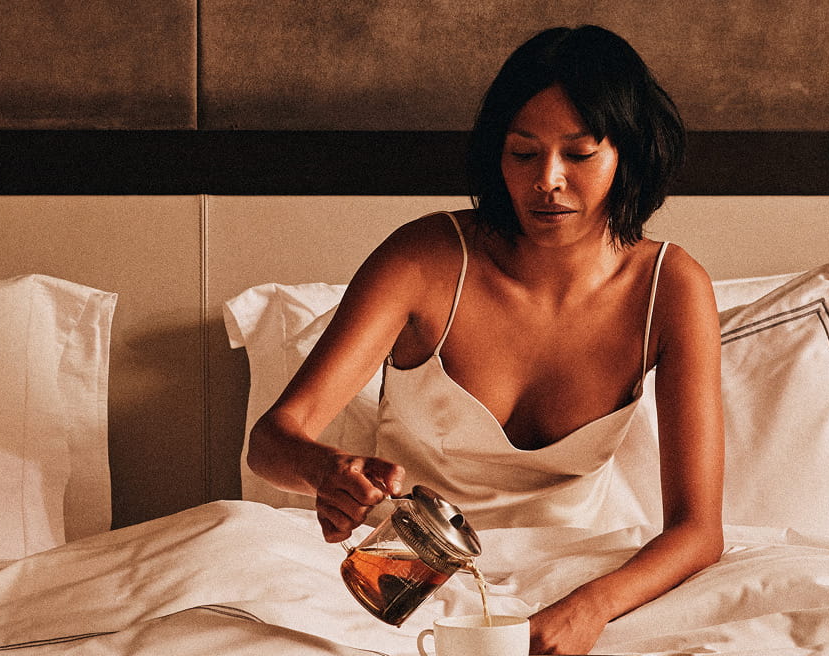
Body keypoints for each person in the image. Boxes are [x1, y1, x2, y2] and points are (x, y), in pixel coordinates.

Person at [245, 25, 724, 655]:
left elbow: (698, 530)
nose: (546, 180)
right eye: (522, 154)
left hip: (586, 581)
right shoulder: (426, 259)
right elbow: (272, 440)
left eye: (578, 155)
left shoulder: (672, 288)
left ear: (628, 155)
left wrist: (590, 609)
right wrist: (326, 469)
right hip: (402, 578)